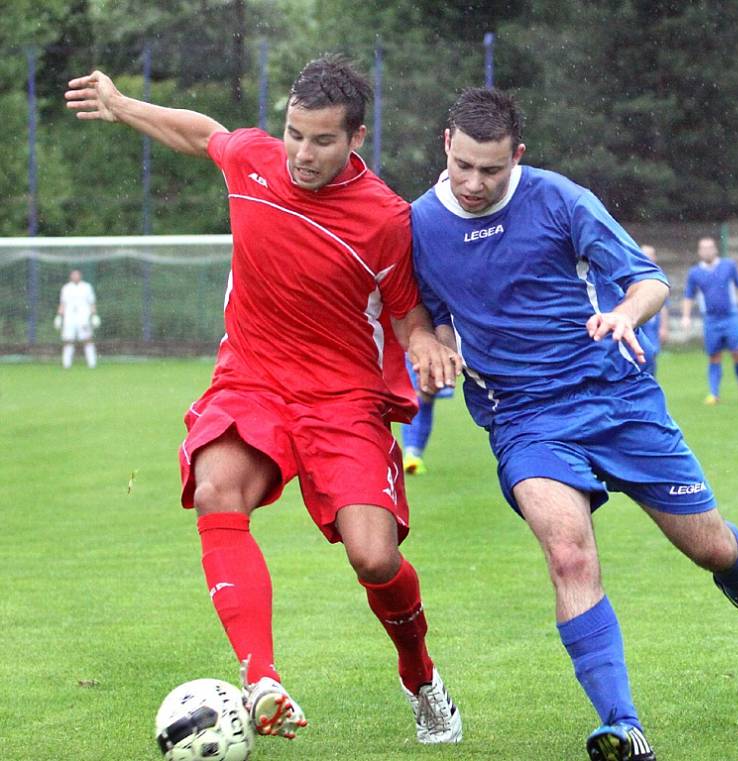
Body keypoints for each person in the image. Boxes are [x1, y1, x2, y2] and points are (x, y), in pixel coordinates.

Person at [65, 57, 463, 746]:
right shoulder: (253, 161)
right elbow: (204, 136)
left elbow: (406, 315)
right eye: (293, 134)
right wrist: (121, 102)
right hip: (253, 379)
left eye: (321, 141)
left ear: (356, 138)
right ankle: (262, 679)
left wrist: (426, 344)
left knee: (375, 558)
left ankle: (422, 677)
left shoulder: (386, 219)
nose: (302, 154)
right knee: (217, 489)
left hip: (343, 400)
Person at [410, 87, 738, 761]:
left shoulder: (559, 199)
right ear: (446, 143)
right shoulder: (418, 223)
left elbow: (648, 280)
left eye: (491, 170)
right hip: (524, 417)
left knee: (708, 546)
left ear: (517, 158)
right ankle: (623, 724)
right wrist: (435, 338)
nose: (474, 182)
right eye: (464, 164)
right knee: (569, 553)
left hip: (616, 396)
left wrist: (624, 315)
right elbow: (426, 306)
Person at [681, 236, 738, 405]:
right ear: (699, 252)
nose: (706, 251)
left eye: (709, 247)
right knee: (714, 356)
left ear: (715, 249)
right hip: (711, 320)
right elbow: (688, 297)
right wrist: (686, 316)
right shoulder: (695, 273)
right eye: (703, 248)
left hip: (730, 316)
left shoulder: (728, 266)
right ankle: (714, 394)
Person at [400, 355, 454, 475]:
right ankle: (412, 454)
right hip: (409, 344)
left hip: (432, 344)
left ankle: (413, 454)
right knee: (421, 395)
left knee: (424, 395)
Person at [54, 269, 100, 369]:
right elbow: (62, 304)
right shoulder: (66, 288)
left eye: (77, 275)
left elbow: (91, 303)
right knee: (68, 340)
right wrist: (59, 316)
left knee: (87, 339)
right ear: (70, 276)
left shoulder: (86, 287)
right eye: (73, 275)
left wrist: (94, 315)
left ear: (80, 276)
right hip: (69, 317)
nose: (75, 277)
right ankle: (66, 364)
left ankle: (92, 363)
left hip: (83, 317)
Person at [638, 245, 669, 377]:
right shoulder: (632, 272)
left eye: (649, 254)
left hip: (652, 323)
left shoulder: (658, 276)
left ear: (654, 257)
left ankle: (650, 381)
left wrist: (663, 327)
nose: (647, 257)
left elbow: (664, 305)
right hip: (637, 320)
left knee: (651, 353)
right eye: (644, 254)